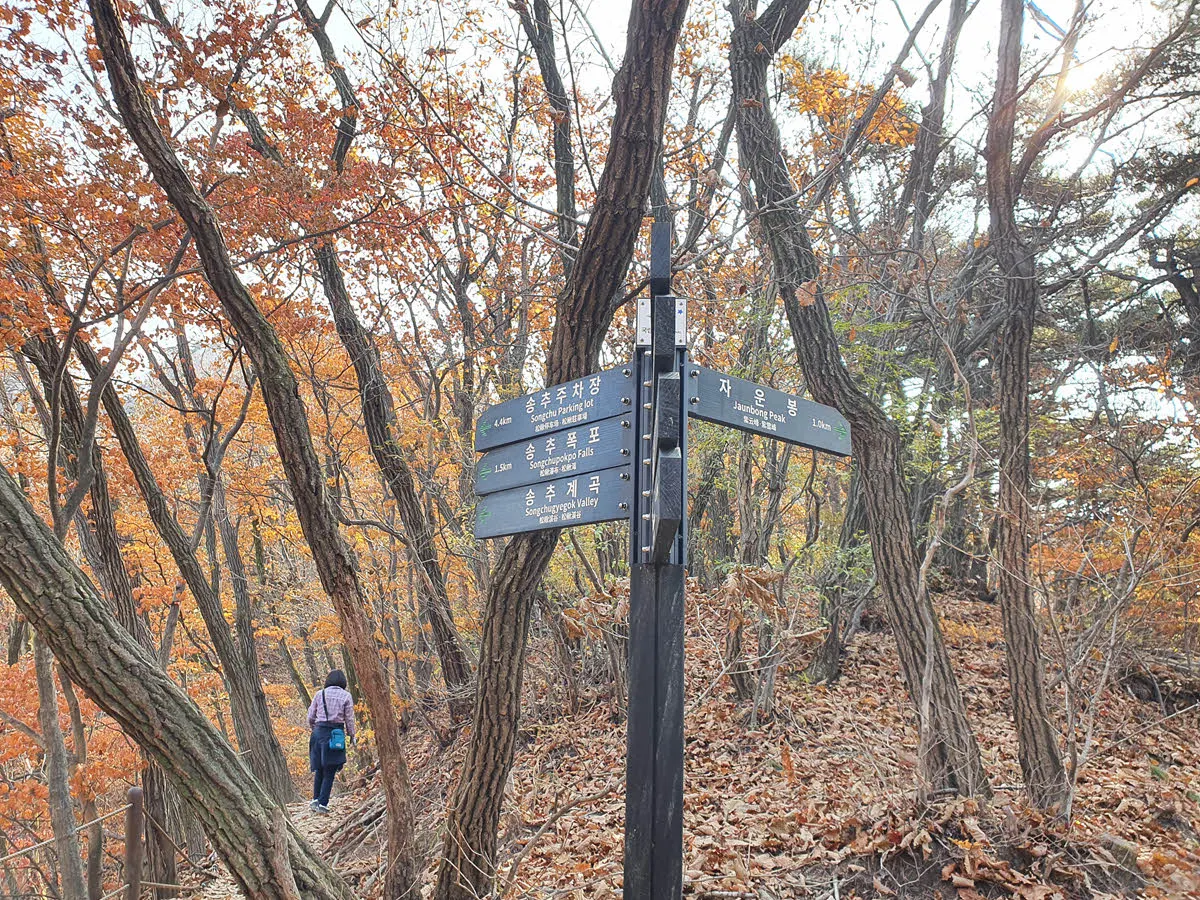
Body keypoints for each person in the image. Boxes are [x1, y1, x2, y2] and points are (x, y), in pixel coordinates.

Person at [307, 669, 356, 813]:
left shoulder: (319, 694)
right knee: (330, 769)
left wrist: (314, 728)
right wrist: (352, 735)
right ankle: (323, 803)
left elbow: (310, 716)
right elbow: (349, 719)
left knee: (319, 768)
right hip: (336, 734)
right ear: (343, 682)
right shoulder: (346, 696)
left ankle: (315, 800)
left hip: (318, 733)